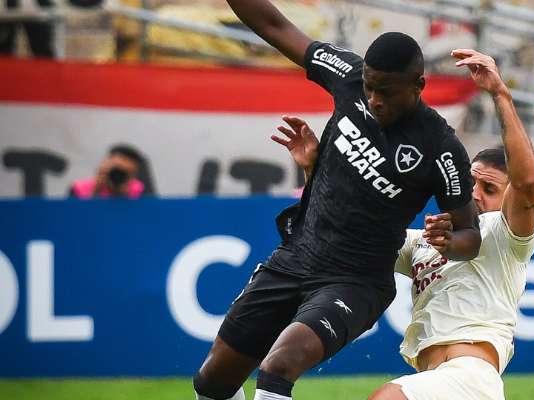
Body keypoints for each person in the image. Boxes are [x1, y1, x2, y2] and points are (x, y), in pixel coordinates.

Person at [191, 1, 482, 399]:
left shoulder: (441, 148)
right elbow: (276, 26)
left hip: (356, 282)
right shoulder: (347, 75)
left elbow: (471, 236)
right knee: (212, 381)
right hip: (294, 258)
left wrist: (451, 242)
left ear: (418, 86)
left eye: (387, 92)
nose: (375, 99)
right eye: (370, 86)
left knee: (278, 366)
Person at [276, 49, 534, 400]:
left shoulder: (506, 238)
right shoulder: (423, 241)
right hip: (437, 379)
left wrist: (499, 94)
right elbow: (348, 230)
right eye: (470, 182)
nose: (475, 194)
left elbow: (525, 183)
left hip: (468, 378)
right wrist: (314, 171)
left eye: (489, 188)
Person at [68, 144, 145, 199]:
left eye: (125, 172)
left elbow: (140, 216)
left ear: (134, 174)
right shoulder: (79, 188)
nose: (118, 175)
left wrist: (123, 195)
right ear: (105, 165)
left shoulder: (139, 190)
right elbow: (75, 215)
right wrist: (96, 189)